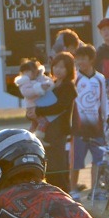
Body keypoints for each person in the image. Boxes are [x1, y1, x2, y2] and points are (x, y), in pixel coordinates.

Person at [30, 51, 76, 193]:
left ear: (69, 69)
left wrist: (38, 111)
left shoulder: (68, 87)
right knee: (48, 167)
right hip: (46, 130)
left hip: (59, 131)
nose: (58, 69)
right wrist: (32, 111)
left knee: (58, 167)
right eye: (56, 66)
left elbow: (59, 106)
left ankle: (64, 198)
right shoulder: (51, 85)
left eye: (62, 67)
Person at [70, 43, 107, 197]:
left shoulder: (100, 78)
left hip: (97, 127)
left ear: (91, 60)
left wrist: (106, 120)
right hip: (79, 128)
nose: (80, 63)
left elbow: (103, 100)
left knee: (98, 160)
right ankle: (72, 189)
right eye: (78, 59)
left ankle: (95, 189)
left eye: (83, 59)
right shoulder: (75, 78)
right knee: (76, 161)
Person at [14, 58, 54, 135]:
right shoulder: (24, 81)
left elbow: (49, 82)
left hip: (39, 105)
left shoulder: (40, 78)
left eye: (32, 71)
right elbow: (27, 93)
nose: (30, 73)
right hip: (32, 106)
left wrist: (47, 85)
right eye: (26, 72)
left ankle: (29, 136)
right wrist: (39, 88)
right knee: (43, 122)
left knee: (35, 123)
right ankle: (39, 135)